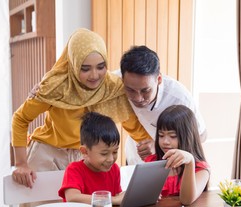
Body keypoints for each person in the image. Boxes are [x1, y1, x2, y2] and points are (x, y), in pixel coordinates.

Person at [11, 28, 150, 188]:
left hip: (88, 157)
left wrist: (151, 145)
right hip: (48, 154)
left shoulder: (112, 88)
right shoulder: (55, 87)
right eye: (85, 68)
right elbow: (20, 119)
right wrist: (21, 163)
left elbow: (133, 125)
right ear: (74, 63)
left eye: (100, 66)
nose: (94, 75)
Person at [117, 45, 207, 164]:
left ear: (159, 79)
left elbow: (201, 136)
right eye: (131, 90)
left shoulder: (180, 99)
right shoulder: (114, 82)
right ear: (122, 79)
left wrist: (158, 146)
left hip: (169, 162)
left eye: (145, 91)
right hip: (134, 155)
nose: (138, 98)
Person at [145, 105, 210, 205]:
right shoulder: (152, 162)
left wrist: (190, 162)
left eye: (173, 136)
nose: (165, 142)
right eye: (161, 135)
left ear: (188, 137)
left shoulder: (201, 169)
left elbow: (186, 200)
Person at [58, 112, 124, 205]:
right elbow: (72, 198)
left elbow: (116, 200)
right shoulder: (74, 170)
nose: (110, 159)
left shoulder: (114, 169)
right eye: (104, 153)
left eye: (115, 152)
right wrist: (112, 200)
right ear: (85, 152)